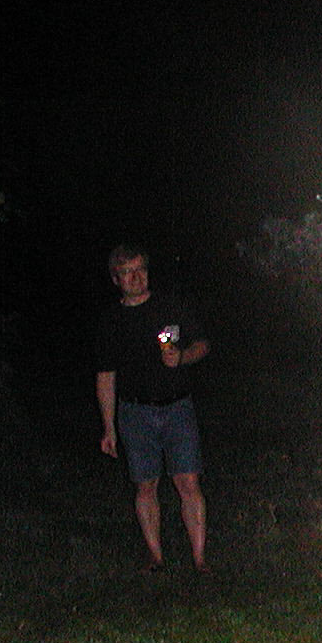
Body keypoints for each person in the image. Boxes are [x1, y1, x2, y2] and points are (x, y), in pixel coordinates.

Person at [93, 245, 210, 571]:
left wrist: (182, 357)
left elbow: (202, 344)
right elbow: (105, 375)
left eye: (140, 269)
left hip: (177, 408)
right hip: (135, 412)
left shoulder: (170, 306)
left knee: (188, 482)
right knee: (145, 485)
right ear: (116, 279)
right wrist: (108, 426)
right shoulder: (112, 320)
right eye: (127, 272)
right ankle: (155, 557)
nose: (136, 276)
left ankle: (200, 560)